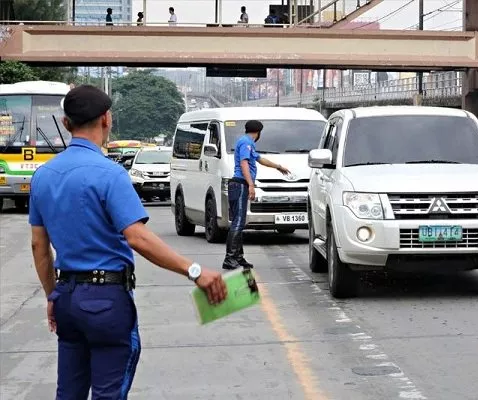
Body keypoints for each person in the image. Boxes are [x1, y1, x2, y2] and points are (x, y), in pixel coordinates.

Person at [29, 85, 227, 398]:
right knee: (109, 393)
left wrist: (53, 296)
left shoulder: (43, 175)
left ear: (66, 124)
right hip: (106, 301)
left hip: (66, 297)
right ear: (107, 119)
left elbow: (39, 248)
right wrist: (195, 271)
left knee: (68, 393)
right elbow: (137, 237)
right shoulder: (110, 174)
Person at [222, 120, 290, 270]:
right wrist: (251, 184)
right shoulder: (246, 143)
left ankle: (238, 257)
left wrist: (278, 167)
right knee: (238, 222)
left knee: (239, 222)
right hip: (240, 184)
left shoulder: (247, 143)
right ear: (259, 132)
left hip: (239, 184)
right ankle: (230, 258)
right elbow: (244, 163)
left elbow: (260, 159)